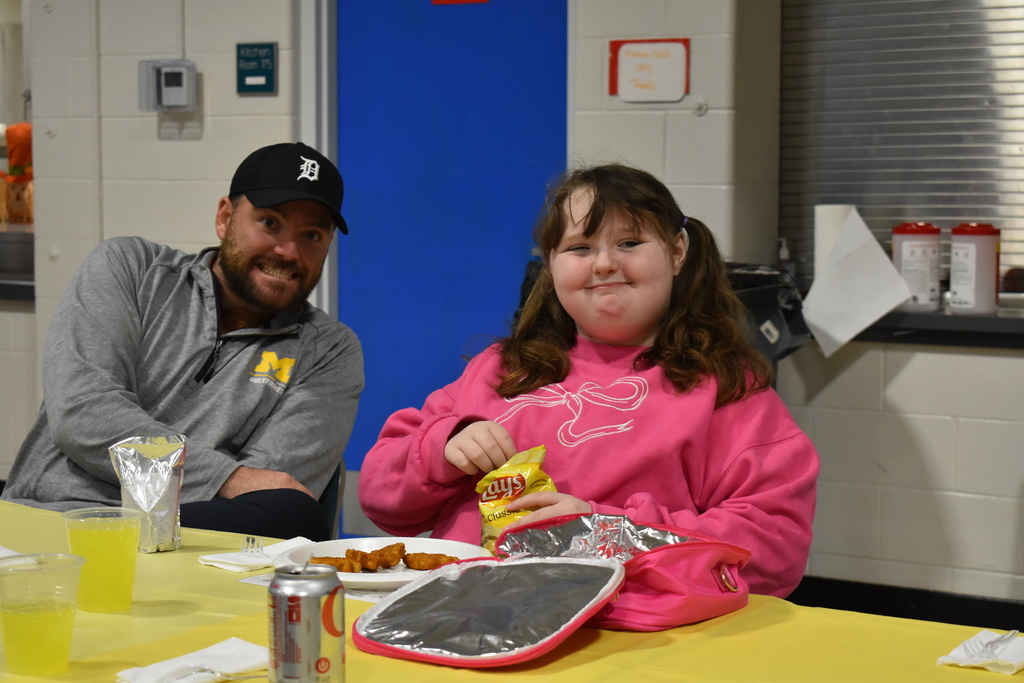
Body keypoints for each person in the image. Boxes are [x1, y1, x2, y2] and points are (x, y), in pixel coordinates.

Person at [358, 163, 818, 596]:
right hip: (459, 609)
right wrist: (443, 449)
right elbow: (380, 496)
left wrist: (607, 532)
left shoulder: (725, 388)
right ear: (551, 263)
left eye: (629, 243)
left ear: (677, 251)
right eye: (579, 248)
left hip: (616, 627)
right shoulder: (500, 369)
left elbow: (774, 547)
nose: (603, 264)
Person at [2, 142, 364, 542]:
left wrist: (227, 484)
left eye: (311, 235)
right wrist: (229, 477)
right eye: (270, 223)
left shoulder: (329, 351)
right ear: (225, 218)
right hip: (53, 523)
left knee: (294, 515)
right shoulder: (133, 270)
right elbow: (82, 414)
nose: (288, 251)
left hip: (190, 543)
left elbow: (269, 496)